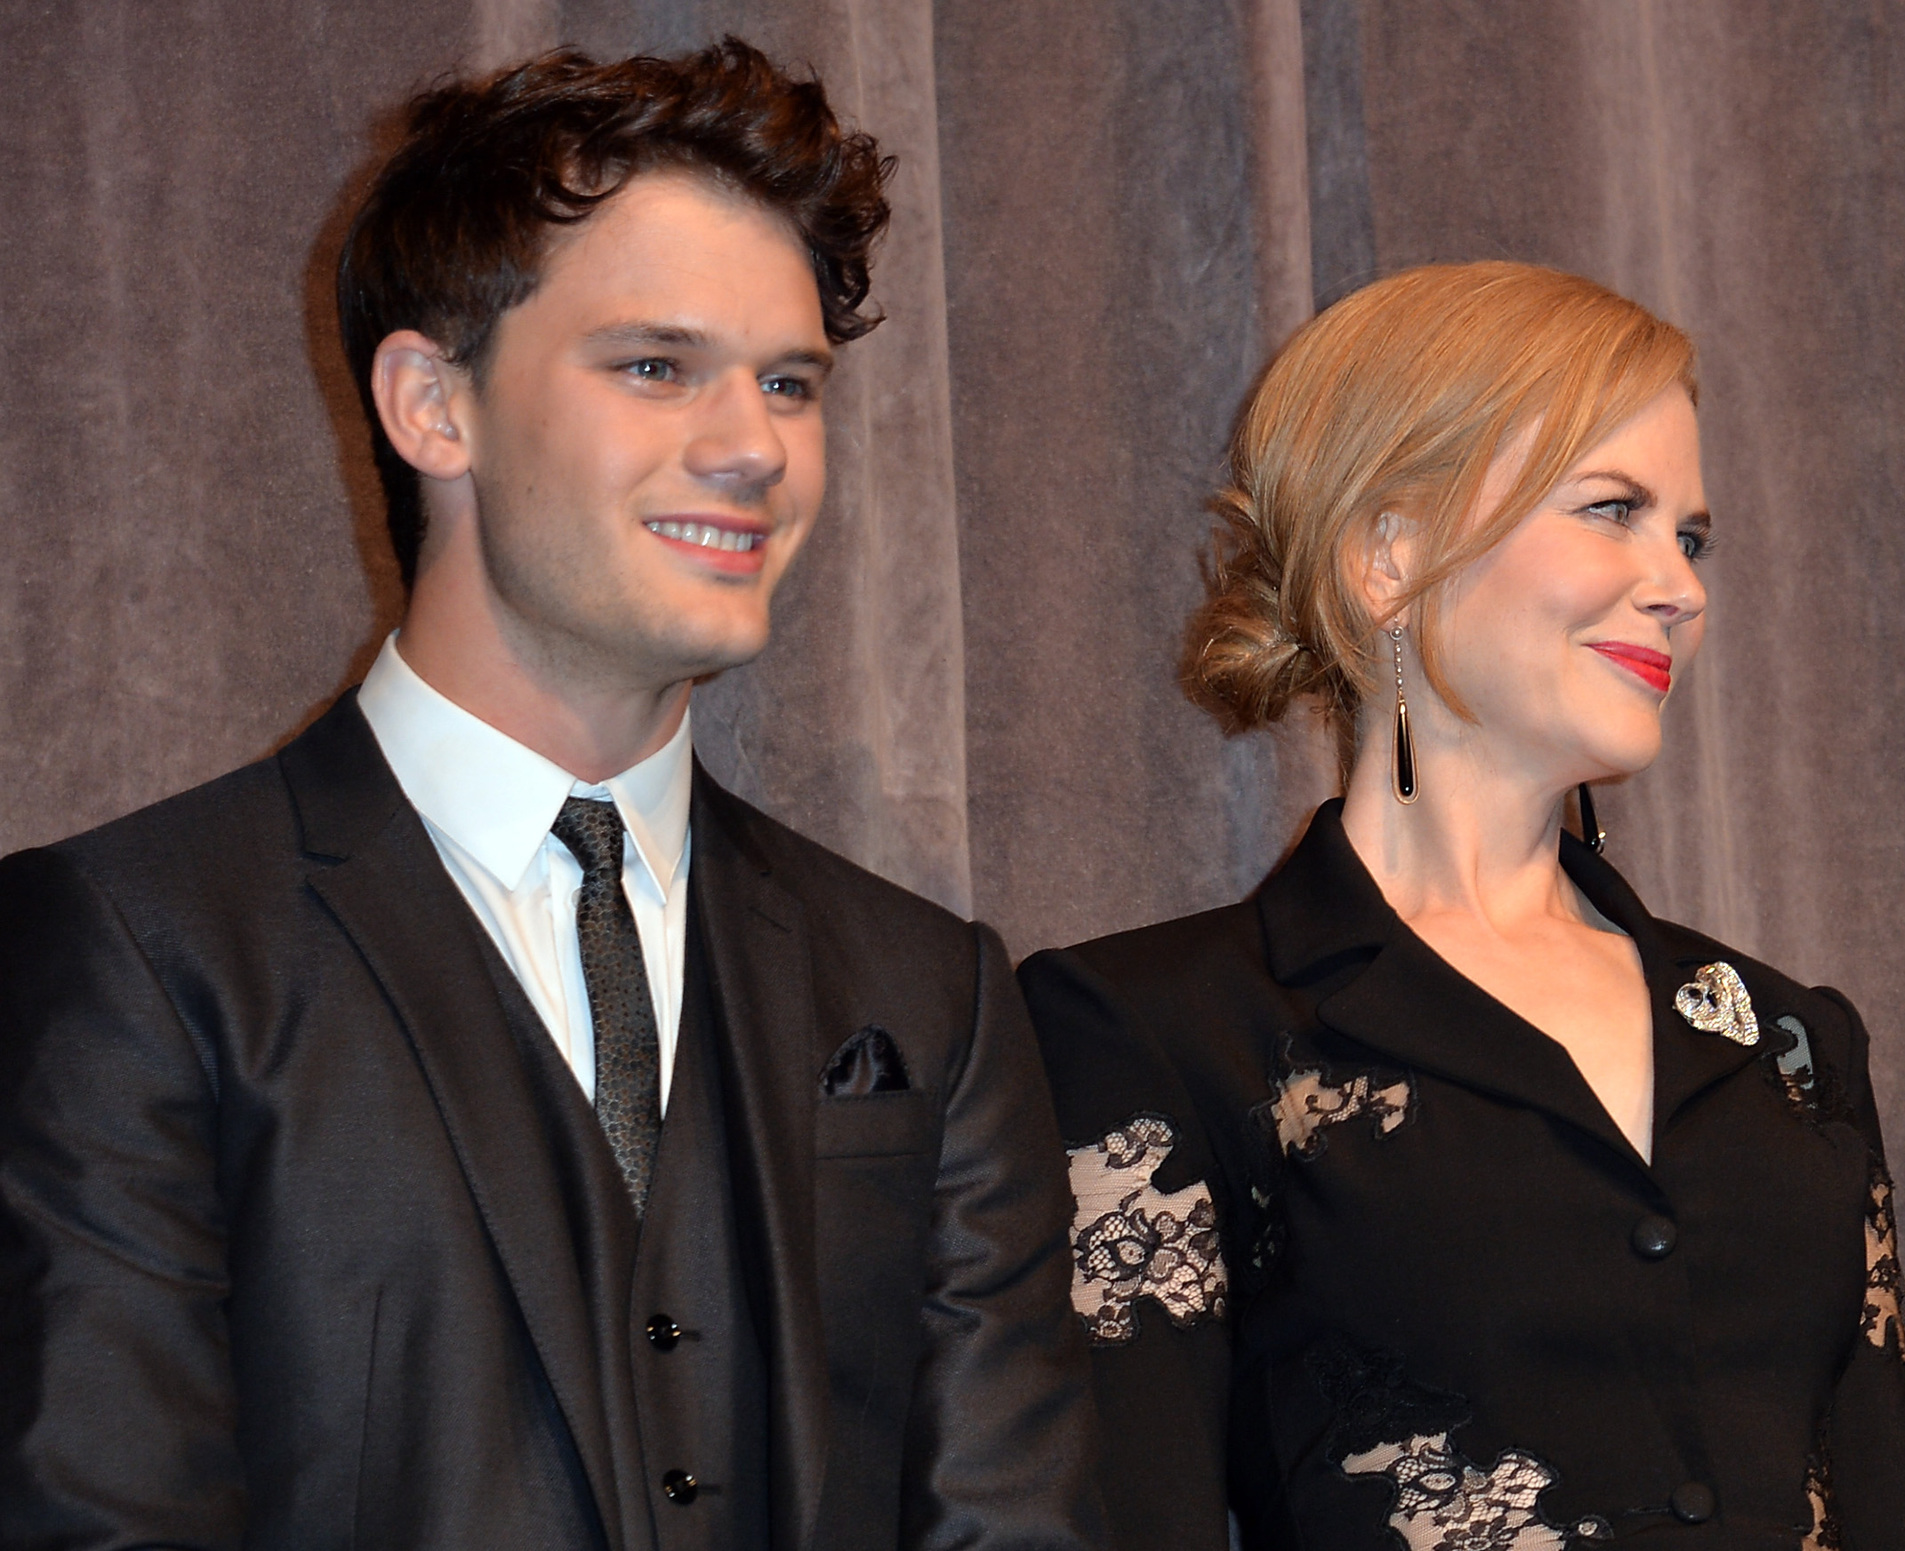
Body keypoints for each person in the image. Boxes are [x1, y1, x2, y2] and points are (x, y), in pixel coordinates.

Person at [0, 42, 1104, 1551]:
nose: (753, 449)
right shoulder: (138, 943)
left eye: (790, 384)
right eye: (657, 366)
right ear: (431, 406)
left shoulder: (929, 990)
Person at [1020, 262, 1905, 1550]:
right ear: (1388, 556)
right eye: (1612, 509)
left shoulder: (1789, 1043)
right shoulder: (1154, 1030)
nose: (1679, 586)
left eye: (1690, 535)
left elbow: (1895, 1498)